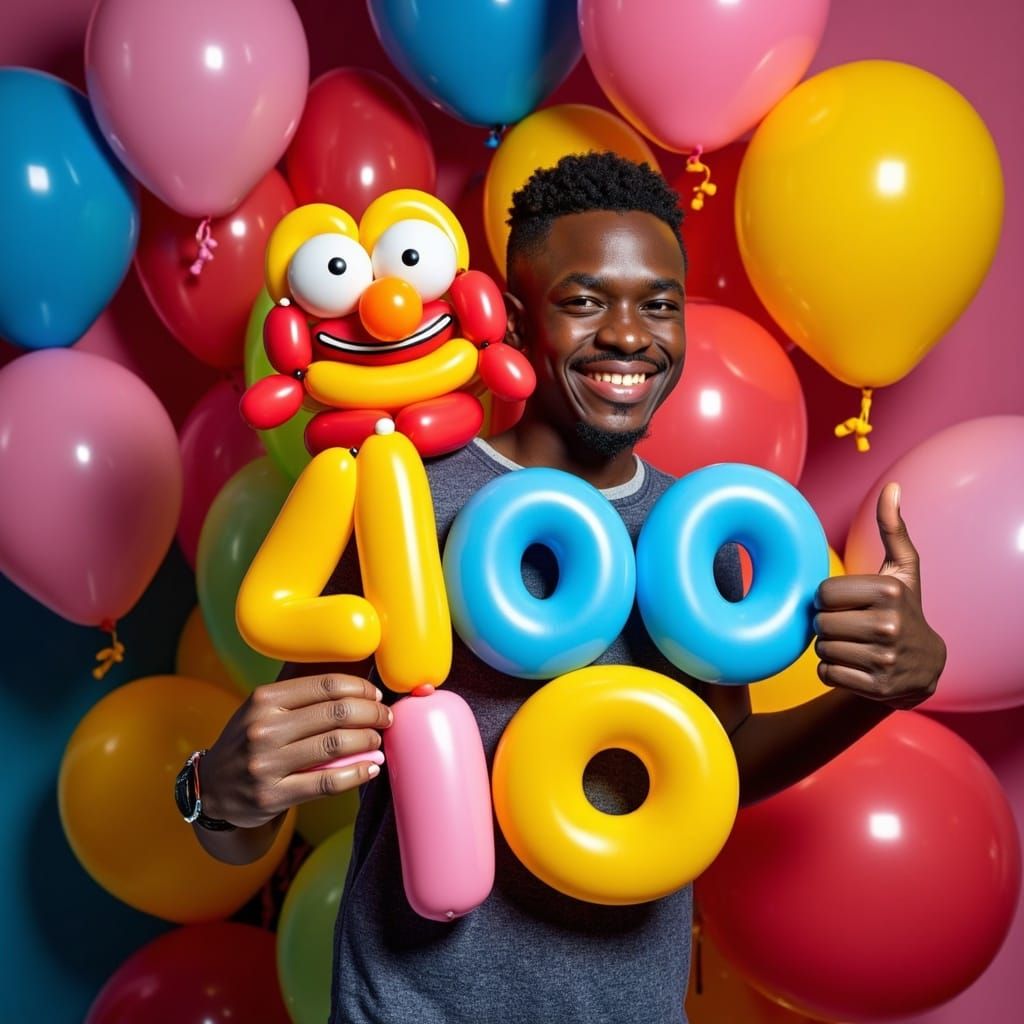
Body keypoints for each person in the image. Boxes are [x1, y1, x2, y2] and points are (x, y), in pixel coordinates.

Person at [187, 153, 946, 1023]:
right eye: (586, 300)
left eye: (659, 303)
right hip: (412, 1004)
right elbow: (261, 804)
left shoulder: (690, 528)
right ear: (512, 321)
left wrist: (879, 696)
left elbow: (717, 762)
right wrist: (215, 791)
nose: (630, 335)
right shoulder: (405, 499)